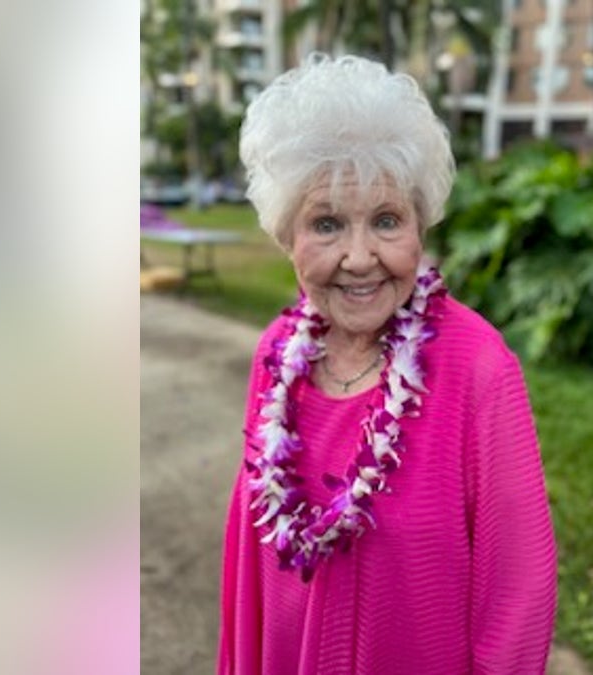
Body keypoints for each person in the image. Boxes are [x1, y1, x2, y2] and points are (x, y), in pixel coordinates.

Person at [218, 54, 556, 674]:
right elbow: (250, 565)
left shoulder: (479, 369)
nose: (358, 257)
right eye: (325, 224)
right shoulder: (276, 356)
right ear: (285, 236)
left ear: (420, 227)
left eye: (386, 221)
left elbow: (519, 592)